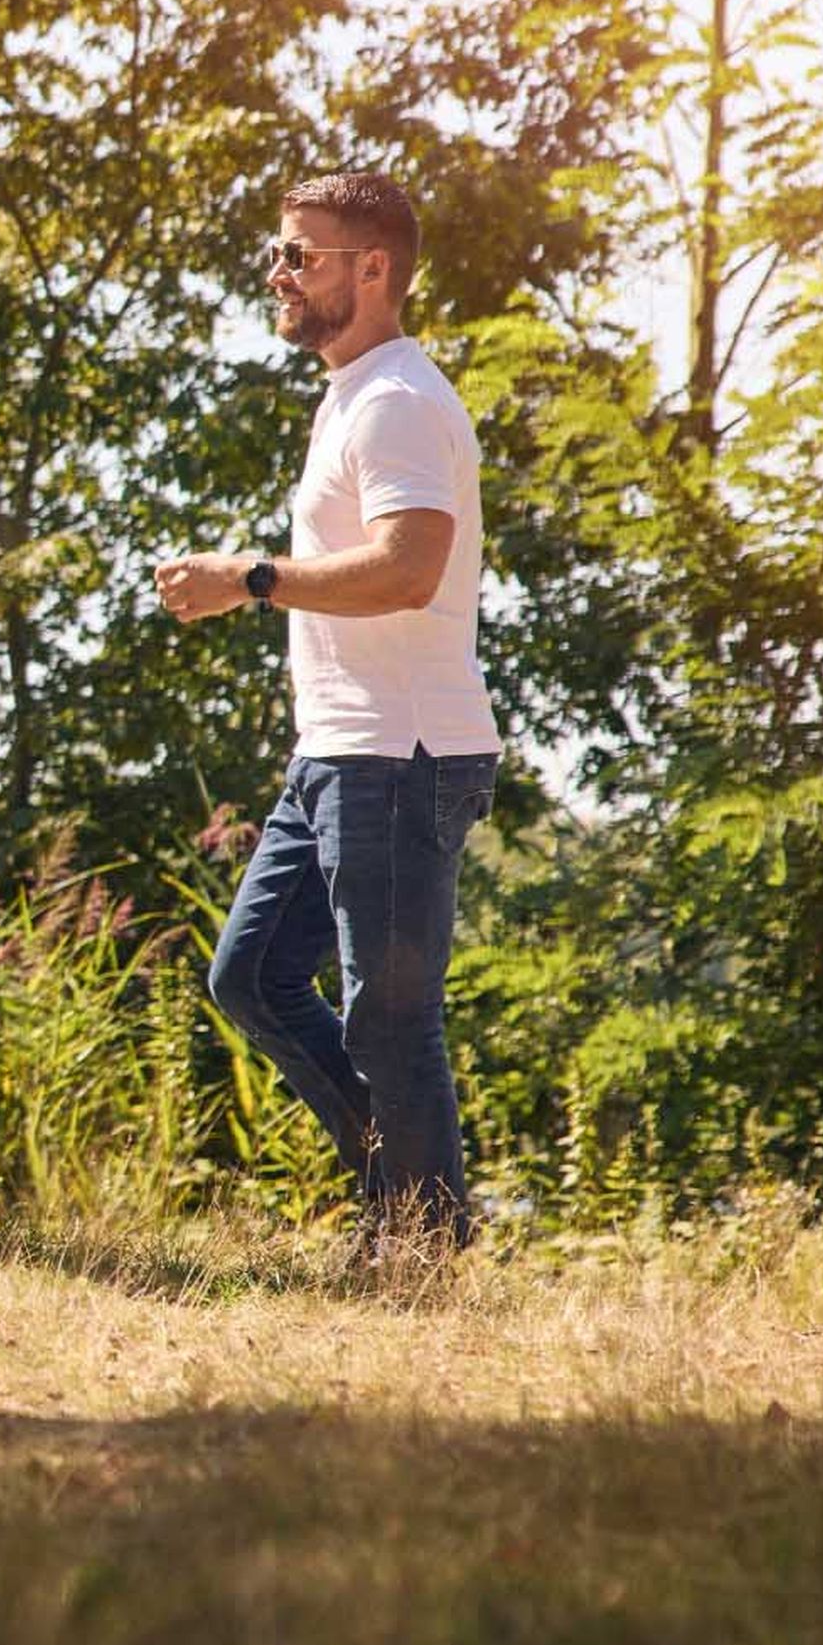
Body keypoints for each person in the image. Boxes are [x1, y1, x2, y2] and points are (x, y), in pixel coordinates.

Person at [154, 171, 503, 1255]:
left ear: (374, 271)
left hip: (400, 753)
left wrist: (250, 577)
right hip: (341, 750)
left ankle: (425, 1247)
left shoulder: (398, 399)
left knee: (391, 1018)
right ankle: (404, 1188)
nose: (279, 272)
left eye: (301, 255)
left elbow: (410, 567)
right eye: (283, 252)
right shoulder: (355, 390)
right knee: (250, 974)